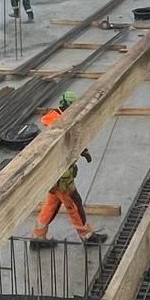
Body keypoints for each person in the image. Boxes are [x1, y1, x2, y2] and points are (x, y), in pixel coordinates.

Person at [30, 93, 106, 246]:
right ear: (64, 105)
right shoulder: (55, 124)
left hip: (56, 174)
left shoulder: (64, 118)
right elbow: (59, 149)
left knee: (52, 204)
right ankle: (87, 237)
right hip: (60, 175)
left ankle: (38, 237)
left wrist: (83, 151)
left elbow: (72, 140)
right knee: (74, 203)